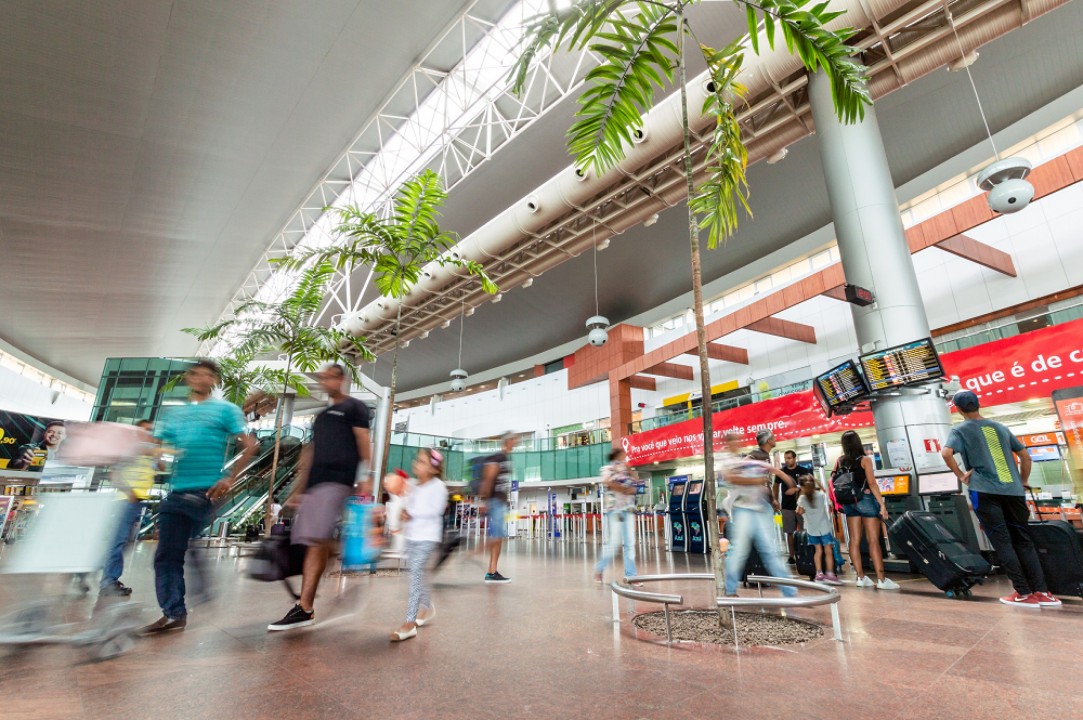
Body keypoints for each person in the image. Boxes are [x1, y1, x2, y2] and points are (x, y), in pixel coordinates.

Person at [143, 360, 256, 634]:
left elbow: (250, 446)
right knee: (167, 554)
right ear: (189, 378)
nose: (202, 379)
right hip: (177, 489)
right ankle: (176, 610)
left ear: (214, 381)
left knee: (177, 547)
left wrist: (229, 478)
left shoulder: (225, 410)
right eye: (197, 374)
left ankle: (192, 597)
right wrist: (157, 457)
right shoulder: (175, 415)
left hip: (206, 490)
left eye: (208, 375)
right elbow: (155, 445)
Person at [269, 363, 371, 631]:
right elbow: (311, 452)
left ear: (341, 379)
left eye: (330, 377)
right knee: (310, 539)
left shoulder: (354, 408)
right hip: (315, 484)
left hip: (338, 480)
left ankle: (305, 608)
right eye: (322, 378)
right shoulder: (321, 416)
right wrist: (298, 490)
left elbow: (363, 441)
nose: (325, 382)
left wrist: (366, 476)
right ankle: (337, 555)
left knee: (314, 540)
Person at [942, 390, 1060, 608]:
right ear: (978, 405)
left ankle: (1023, 593)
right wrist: (1022, 481)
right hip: (1014, 492)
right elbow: (1025, 457)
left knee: (1002, 542)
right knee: (1023, 540)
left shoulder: (960, 429)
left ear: (958, 409)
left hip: (984, 492)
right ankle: (1043, 592)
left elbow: (946, 453)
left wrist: (961, 476)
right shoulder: (1000, 427)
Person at [721, 437, 798, 598]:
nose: (737, 443)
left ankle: (789, 590)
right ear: (728, 443)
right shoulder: (729, 461)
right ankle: (730, 589)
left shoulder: (745, 460)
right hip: (743, 511)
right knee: (740, 551)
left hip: (759, 510)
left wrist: (785, 478)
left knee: (769, 550)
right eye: (733, 440)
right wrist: (757, 480)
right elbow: (732, 478)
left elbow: (771, 469)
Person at [390, 448, 448, 642]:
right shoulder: (414, 486)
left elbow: (436, 510)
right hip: (412, 537)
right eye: (417, 460)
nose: (416, 463)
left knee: (415, 574)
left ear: (433, 469)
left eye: (422, 462)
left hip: (427, 538)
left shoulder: (438, 487)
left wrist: (413, 513)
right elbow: (409, 507)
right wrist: (404, 513)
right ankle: (427, 607)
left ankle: (409, 623)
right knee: (417, 574)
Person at [99, 419, 158, 597]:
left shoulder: (146, 452)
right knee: (119, 541)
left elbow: (155, 468)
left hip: (138, 501)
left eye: (151, 430)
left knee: (124, 542)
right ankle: (108, 581)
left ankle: (89, 572)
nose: (149, 434)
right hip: (126, 500)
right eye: (146, 430)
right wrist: (129, 491)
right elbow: (114, 475)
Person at [835, 430, 899, 591]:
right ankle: (881, 579)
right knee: (873, 540)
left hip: (849, 502)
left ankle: (860, 577)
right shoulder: (865, 460)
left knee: (854, 540)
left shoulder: (841, 461)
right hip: (865, 500)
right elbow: (871, 483)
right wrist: (882, 504)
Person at [593, 448, 638, 583]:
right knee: (614, 542)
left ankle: (631, 576)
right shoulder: (607, 469)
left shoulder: (627, 469)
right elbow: (608, 482)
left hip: (628, 508)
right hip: (615, 509)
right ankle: (599, 569)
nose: (624, 458)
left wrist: (630, 471)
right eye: (622, 456)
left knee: (630, 543)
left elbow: (635, 484)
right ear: (616, 456)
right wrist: (624, 488)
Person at [477, 432, 517, 584]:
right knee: (497, 536)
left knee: (498, 537)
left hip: (500, 502)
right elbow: (488, 479)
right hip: (495, 502)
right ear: (508, 441)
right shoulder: (498, 457)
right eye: (514, 440)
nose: (515, 443)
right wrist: (484, 501)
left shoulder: (506, 458)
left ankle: (492, 571)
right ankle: (489, 569)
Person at [796, 477, 841, 585]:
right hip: (824, 528)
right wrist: (817, 482)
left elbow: (799, 511)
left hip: (812, 529)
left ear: (802, 487)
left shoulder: (802, 498)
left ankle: (819, 574)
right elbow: (824, 490)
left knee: (818, 551)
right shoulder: (820, 495)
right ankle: (830, 574)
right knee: (828, 551)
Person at [776, 449, 811, 564]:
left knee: (804, 530)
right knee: (789, 532)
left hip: (802, 506)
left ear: (795, 458)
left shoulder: (803, 471)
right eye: (785, 458)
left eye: (789, 458)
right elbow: (775, 485)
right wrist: (775, 500)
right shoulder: (781, 472)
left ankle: (806, 554)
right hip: (786, 506)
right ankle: (792, 556)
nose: (787, 460)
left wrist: (796, 489)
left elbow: (810, 485)